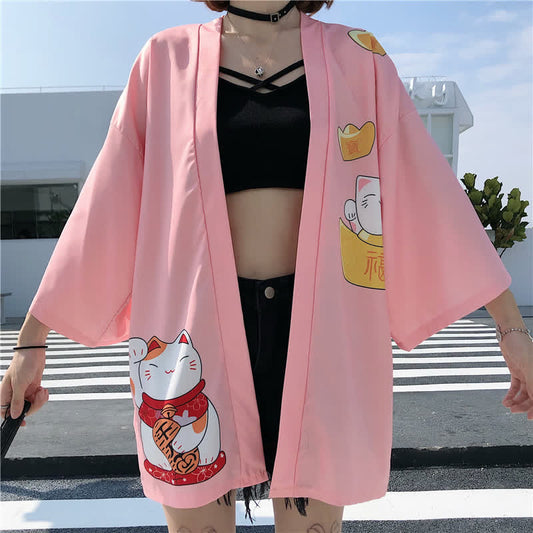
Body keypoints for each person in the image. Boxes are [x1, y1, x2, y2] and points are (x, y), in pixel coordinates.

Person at [2, 1, 532, 532]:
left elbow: (427, 191)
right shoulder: (165, 60)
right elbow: (106, 205)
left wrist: (512, 331)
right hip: (192, 337)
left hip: (323, 337)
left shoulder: (357, 58)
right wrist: (31, 343)